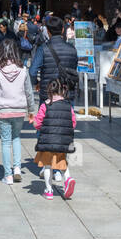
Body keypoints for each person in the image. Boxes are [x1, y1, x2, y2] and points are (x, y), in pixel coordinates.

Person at [0, 37, 35, 184]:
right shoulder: (23, 70)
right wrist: (31, 110)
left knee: (5, 141)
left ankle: (8, 175)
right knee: (16, 137)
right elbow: (29, 92)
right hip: (19, 109)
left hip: (3, 110)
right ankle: (17, 168)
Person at [33, 71, 77, 200]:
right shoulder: (68, 106)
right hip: (63, 141)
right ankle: (68, 179)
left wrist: (36, 124)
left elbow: (38, 123)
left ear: (49, 91)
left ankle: (49, 190)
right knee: (62, 162)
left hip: (47, 141)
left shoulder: (45, 105)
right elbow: (73, 123)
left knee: (47, 166)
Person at [30, 15, 78, 102]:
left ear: (48, 31)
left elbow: (32, 71)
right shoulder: (72, 49)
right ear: (63, 29)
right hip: (66, 93)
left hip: (48, 92)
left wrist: (37, 83)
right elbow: (74, 68)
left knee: (45, 114)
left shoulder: (43, 49)